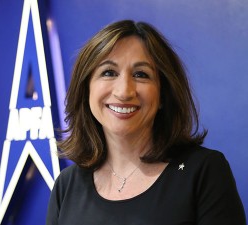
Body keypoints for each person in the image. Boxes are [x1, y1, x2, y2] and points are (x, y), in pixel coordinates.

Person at [46, 20, 246, 225]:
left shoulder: (203, 172)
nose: (124, 91)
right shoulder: (66, 185)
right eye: (109, 73)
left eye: (141, 75)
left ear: (162, 95)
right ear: (86, 88)